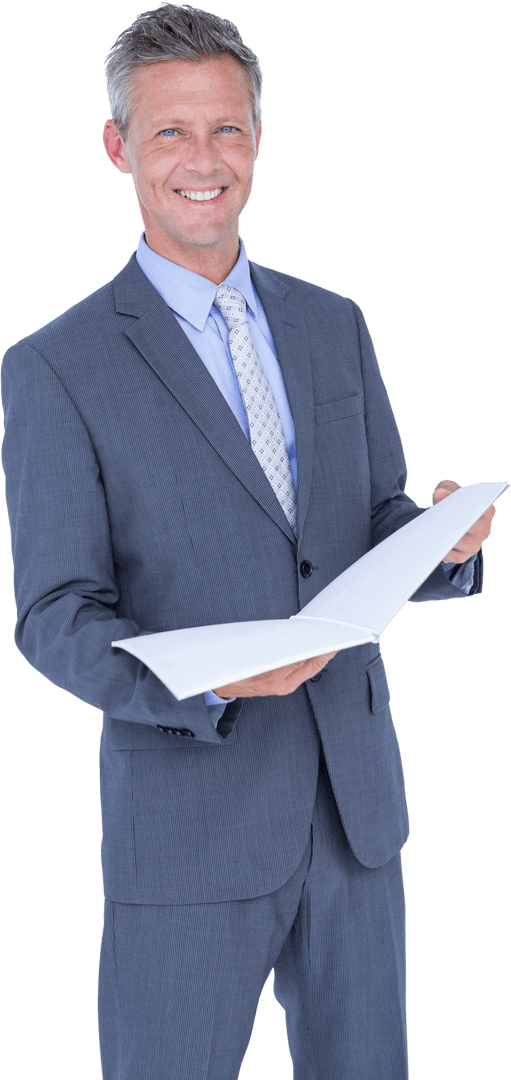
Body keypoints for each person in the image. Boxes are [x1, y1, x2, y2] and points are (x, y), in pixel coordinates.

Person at [0, 5, 497, 1078]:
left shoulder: (334, 324)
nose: (202, 160)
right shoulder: (57, 367)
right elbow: (53, 617)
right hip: (189, 825)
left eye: (225, 129)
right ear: (118, 146)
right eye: (170, 132)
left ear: (258, 138)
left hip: (355, 816)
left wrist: (442, 542)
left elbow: (367, 529)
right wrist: (215, 682)